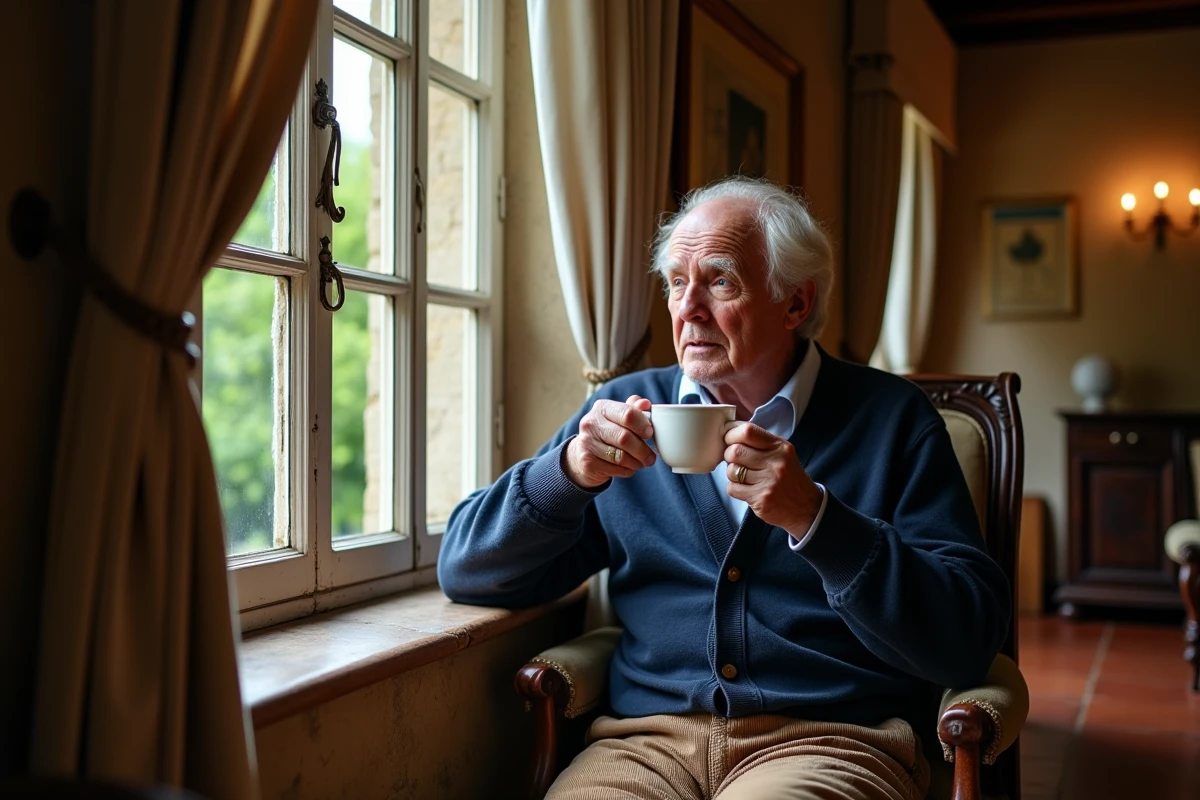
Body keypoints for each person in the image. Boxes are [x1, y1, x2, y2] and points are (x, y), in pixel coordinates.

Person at [438, 177, 1010, 800]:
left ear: (795, 303)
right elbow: (467, 569)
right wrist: (569, 473)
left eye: (720, 282)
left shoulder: (892, 419)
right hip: (643, 745)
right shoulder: (624, 411)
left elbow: (966, 638)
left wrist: (817, 520)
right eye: (676, 283)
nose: (688, 308)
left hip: (829, 741)